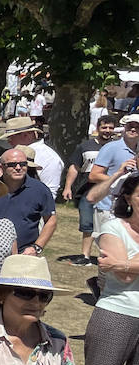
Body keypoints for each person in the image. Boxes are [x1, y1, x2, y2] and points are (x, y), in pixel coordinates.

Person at [68, 171, 139, 365]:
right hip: (116, 315)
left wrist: (124, 263)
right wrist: (123, 268)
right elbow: (123, 278)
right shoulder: (112, 227)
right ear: (128, 197)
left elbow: (123, 268)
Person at [63, 112, 115, 265]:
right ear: (98, 128)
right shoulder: (85, 147)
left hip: (110, 192)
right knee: (87, 224)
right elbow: (74, 168)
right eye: (104, 127)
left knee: (109, 224)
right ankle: (85, 256)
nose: (107, 130)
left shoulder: (118, 147)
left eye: (110, 128)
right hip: (88, 189)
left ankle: (107, 256)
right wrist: (68, 187)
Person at [0, 147, 57, 257]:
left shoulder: (40, 190)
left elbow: (51, 220)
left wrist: (36, 247)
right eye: (12, 165)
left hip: (24, 254)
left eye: (23, 164)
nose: (18, 168)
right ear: (1, 167)